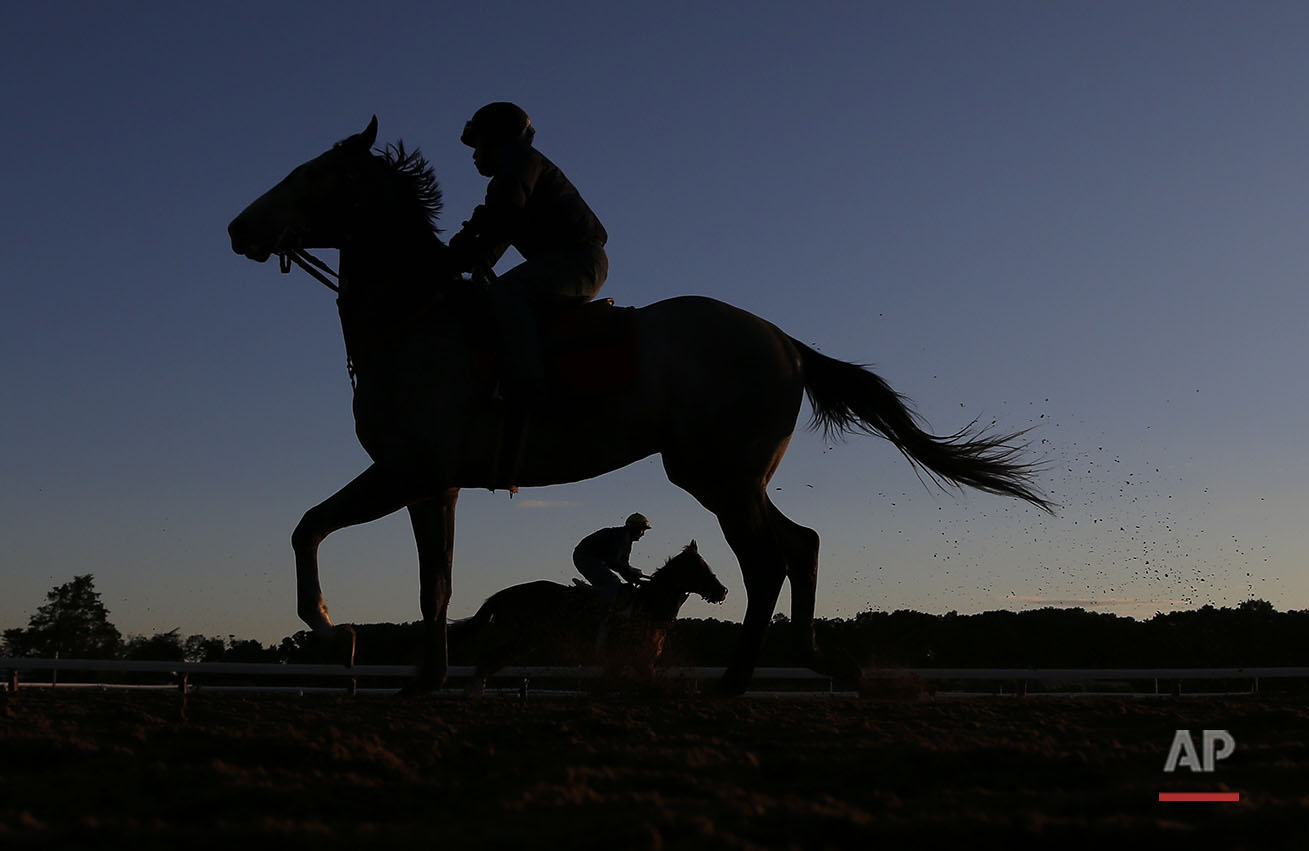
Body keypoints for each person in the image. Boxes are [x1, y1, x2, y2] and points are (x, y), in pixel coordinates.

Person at [448, 102, 609, 407]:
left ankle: (528, 389)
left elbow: (502, 218)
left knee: (506, 293)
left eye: (478, 144)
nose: (473, 154)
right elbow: (497, 232)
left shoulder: (520, 161)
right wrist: (467, 256)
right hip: (571, 261)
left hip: (578, 261)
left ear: (496, 139)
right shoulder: (512, 171)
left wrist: (462, 254)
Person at [572, 513, 651, 605]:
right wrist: (630, 570)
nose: (643, 534)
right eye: (642, 530)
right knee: (612, 583)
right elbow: (614, 563)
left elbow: (622, 567)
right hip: (584, 558)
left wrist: (638, 581)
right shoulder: (621, 537)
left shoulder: (627, 541)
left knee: (613, 583)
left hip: (592, 559)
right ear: (635, 529)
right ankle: (603, 609)